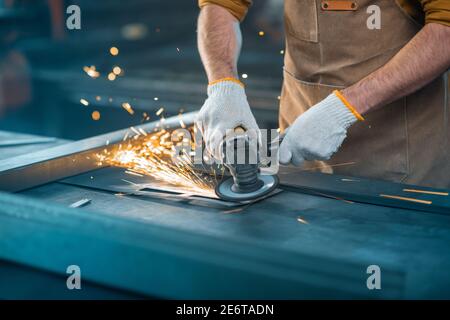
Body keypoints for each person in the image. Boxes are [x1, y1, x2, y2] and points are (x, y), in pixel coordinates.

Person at [195, 0, 450, 188]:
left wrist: (341, 111)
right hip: (296, 159)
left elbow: (445, 30)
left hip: (395, 167)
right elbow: (222, 5)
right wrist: (223, 86)